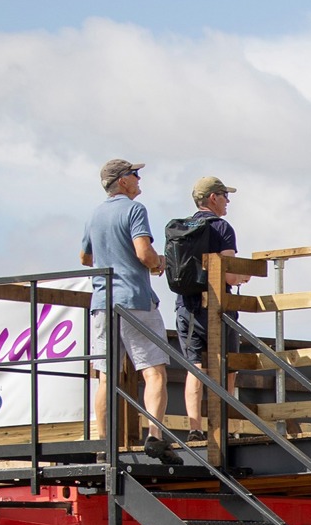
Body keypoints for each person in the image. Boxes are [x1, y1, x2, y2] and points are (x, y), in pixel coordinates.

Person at [79, 159, 172, 460]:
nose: (139, 178)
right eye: (135, 174)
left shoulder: (94, 214)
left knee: (106, 377)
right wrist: (159, 262)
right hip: (134, 299)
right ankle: (155, 436)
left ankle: (103, 444)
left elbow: (84, 257)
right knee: (154, 372)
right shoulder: (134, 210)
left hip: (102, 303)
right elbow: (144, 252)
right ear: (122, 181)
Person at [168, 176, 239, 443]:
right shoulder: (222, 228)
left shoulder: (183, 228)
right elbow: (229, 275)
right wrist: (243, 277)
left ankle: (195, 428)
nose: (227, 201)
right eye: (224, 195)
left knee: (195, 366)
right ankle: (224, 427)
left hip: (186, 304)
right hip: (218, 306)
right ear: (212, 198)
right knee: (227, 366)